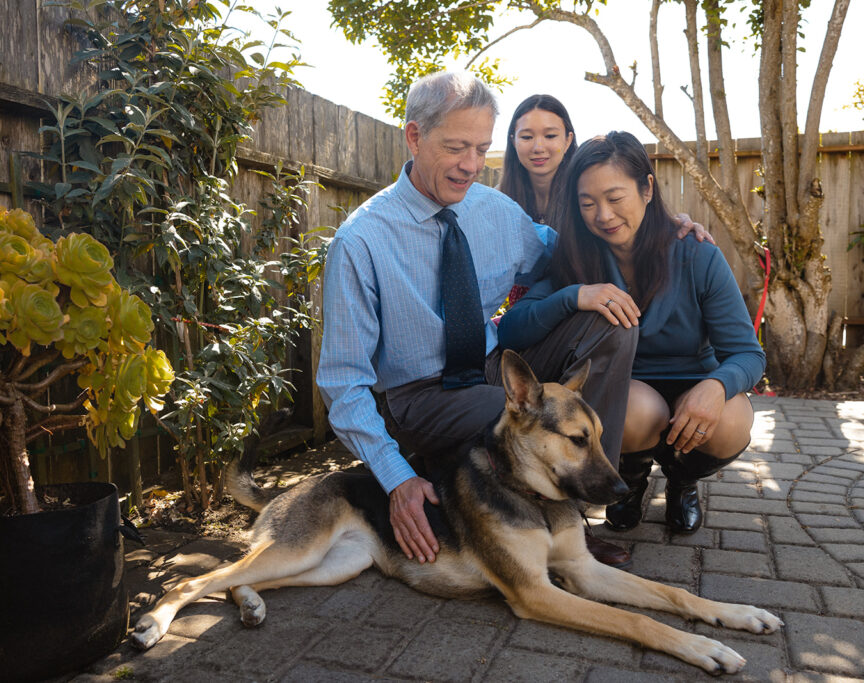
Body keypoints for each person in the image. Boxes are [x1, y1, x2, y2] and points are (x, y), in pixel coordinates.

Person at [315, 72, 638, 570]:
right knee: (514, 416)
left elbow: (562, 253)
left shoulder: (495, 211)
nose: (470, 165)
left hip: (492, 367)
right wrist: (396, 478)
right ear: (415, 136)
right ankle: (560, 531)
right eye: (456, 147)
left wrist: (656, 228)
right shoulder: (361, 243)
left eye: (482, 148)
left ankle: (586, 495)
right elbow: (344, 382)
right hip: (420, 397)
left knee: (609, 322)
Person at [498, 131, 764, 535]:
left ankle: (682, 481)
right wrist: (575, 295)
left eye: (615, 197)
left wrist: (716, 385)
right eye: (587, 204)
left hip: (696, 379)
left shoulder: (697, 254)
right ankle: (632, 482)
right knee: (641, 410)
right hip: (631, 389)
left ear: (647, 189)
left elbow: (748, 354)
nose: (603, 215)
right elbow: (514, 329)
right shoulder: (575, 258)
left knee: (731, 422)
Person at [497, 94, 577, 223]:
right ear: (513, 142)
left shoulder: (584, 195)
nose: (538, 148)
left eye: (550, 136)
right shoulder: (498, 200)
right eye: (527, 137)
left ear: (568, 140)